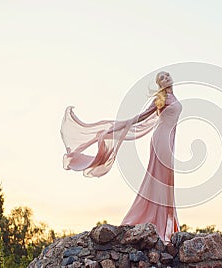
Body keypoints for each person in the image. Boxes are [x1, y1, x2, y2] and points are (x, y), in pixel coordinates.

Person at [60, 71, 182, 244]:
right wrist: (117, 128)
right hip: (161, 140)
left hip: (169, 141)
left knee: (166, 180)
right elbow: (141, 117)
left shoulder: (173, 97)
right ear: (159, 85)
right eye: (161, 78)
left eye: (167, 75)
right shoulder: (160, 100)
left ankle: (167, 225)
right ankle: (158, 224)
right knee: (160, 180)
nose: (166, 78)